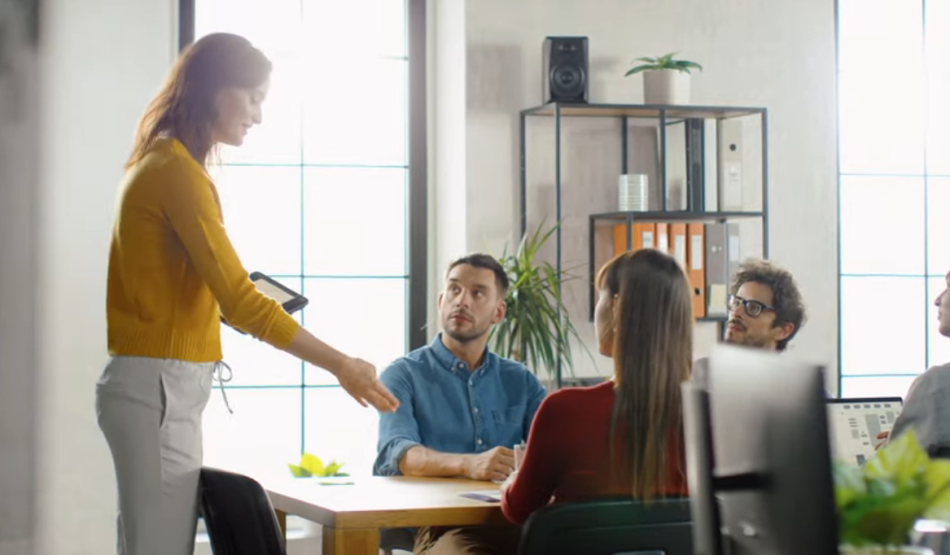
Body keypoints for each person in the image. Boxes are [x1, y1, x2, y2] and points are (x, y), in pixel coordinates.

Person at [95, 33, 398, 555]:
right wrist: (341, 363)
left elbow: (207, 294)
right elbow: (239, 300)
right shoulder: (176, 173)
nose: (258, 116)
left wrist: (231, 300)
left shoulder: (163, 163)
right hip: (159, 389)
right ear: (214, 89)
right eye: (253, 97)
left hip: (156, 388)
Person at [500, 248, 692, 525]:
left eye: (599, 295)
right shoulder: (710, 415)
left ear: (616, 306)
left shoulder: (565, 411)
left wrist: (513, 482)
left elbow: (519, 509)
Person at [373, 253, 546, 554]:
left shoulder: (521, 381)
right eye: (454, 289)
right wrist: (470, 464)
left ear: (498, 312)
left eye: (477, 293)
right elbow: (400, 455)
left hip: (516, 522)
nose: (462, 301)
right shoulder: (403, 375)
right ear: (441, 301)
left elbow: (552, 451)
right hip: (438, 527)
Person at [693, 259, 807, 384]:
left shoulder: (798, 391)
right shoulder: (700, 375)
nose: (736, 313)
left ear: (783, 331)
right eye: (736, 302)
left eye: (753, 308)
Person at [878, 270, 950, 457]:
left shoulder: (937, 385)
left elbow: (892, 479)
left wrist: (893, 453)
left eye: (948, 287)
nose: (937, 300)